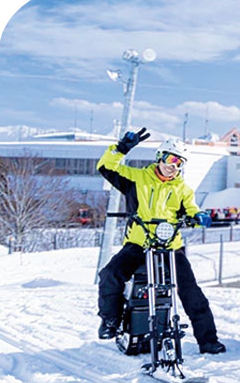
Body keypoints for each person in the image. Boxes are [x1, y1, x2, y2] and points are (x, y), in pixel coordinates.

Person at [96, 128, 226, 355]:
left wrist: (198, 217)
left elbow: (192, 211)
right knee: (110, 274)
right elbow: (106, 167)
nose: (172, 165)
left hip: (170, 247)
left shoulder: (182, 189)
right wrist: (121, 149)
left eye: (178, 162)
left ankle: (208, 340)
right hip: (138, 243)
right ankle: (110, 321)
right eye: (169, 158)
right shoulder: (137, 178)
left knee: (191, 291)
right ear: (159, 157)